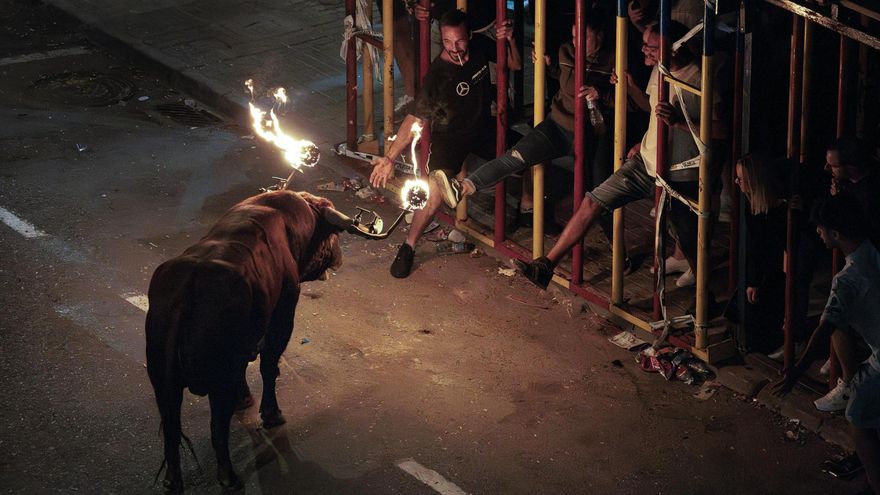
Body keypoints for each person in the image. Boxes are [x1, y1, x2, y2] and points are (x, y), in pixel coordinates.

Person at [475, 21, 721, 291]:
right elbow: (648, 109)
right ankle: (545, 266)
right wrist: (642, 133)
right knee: (592, 201)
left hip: (681, 172)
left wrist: (677, 123)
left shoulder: (700, 78)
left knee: (690, 241)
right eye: (644, 45)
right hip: (647, 161)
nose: (643, 52)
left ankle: (704, 307)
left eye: (651, 47)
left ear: (675, 49)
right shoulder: (659, 69)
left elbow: (721, 129)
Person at [431, 14, 618, 246]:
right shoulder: (567, 51)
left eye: (583, 37)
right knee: (516, 156)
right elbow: (563, 81)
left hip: (594, 134)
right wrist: (548, 67)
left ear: (599, 35)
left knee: (600, 192)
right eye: (573, 36)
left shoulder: (614, 60)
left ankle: (618, 248)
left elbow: (628, 105)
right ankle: (463, 187)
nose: (576, 42)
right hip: (558, 125)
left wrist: (604, 95)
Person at [369, 9, 522, 278]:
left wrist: (508, 39)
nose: (455, 48)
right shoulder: (437, 75)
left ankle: (529, 208)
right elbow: (414, 118)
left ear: (469, 35)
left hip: (483, 128)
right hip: (449, 137)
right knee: (434, 194)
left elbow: (515, 65)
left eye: (460, 41)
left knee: (528, 154)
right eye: (448, 42)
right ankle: (408, 246)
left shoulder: (479, 47)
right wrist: (390, 157)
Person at [772, 194, 880, 494]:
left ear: (835, 232)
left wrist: (796, 369)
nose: (818, 234)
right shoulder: (873, 251)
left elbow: (825, 330)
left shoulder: (847, 280)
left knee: (858, 414)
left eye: (820, 229)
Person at [724, 155, 788, 354]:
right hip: (760, 270)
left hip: (768, 273)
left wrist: (754, 282)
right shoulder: (752, 206)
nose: (737, 182)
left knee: (761, 312)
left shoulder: (768, 215)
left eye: (741, 179)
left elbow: (762, 252)